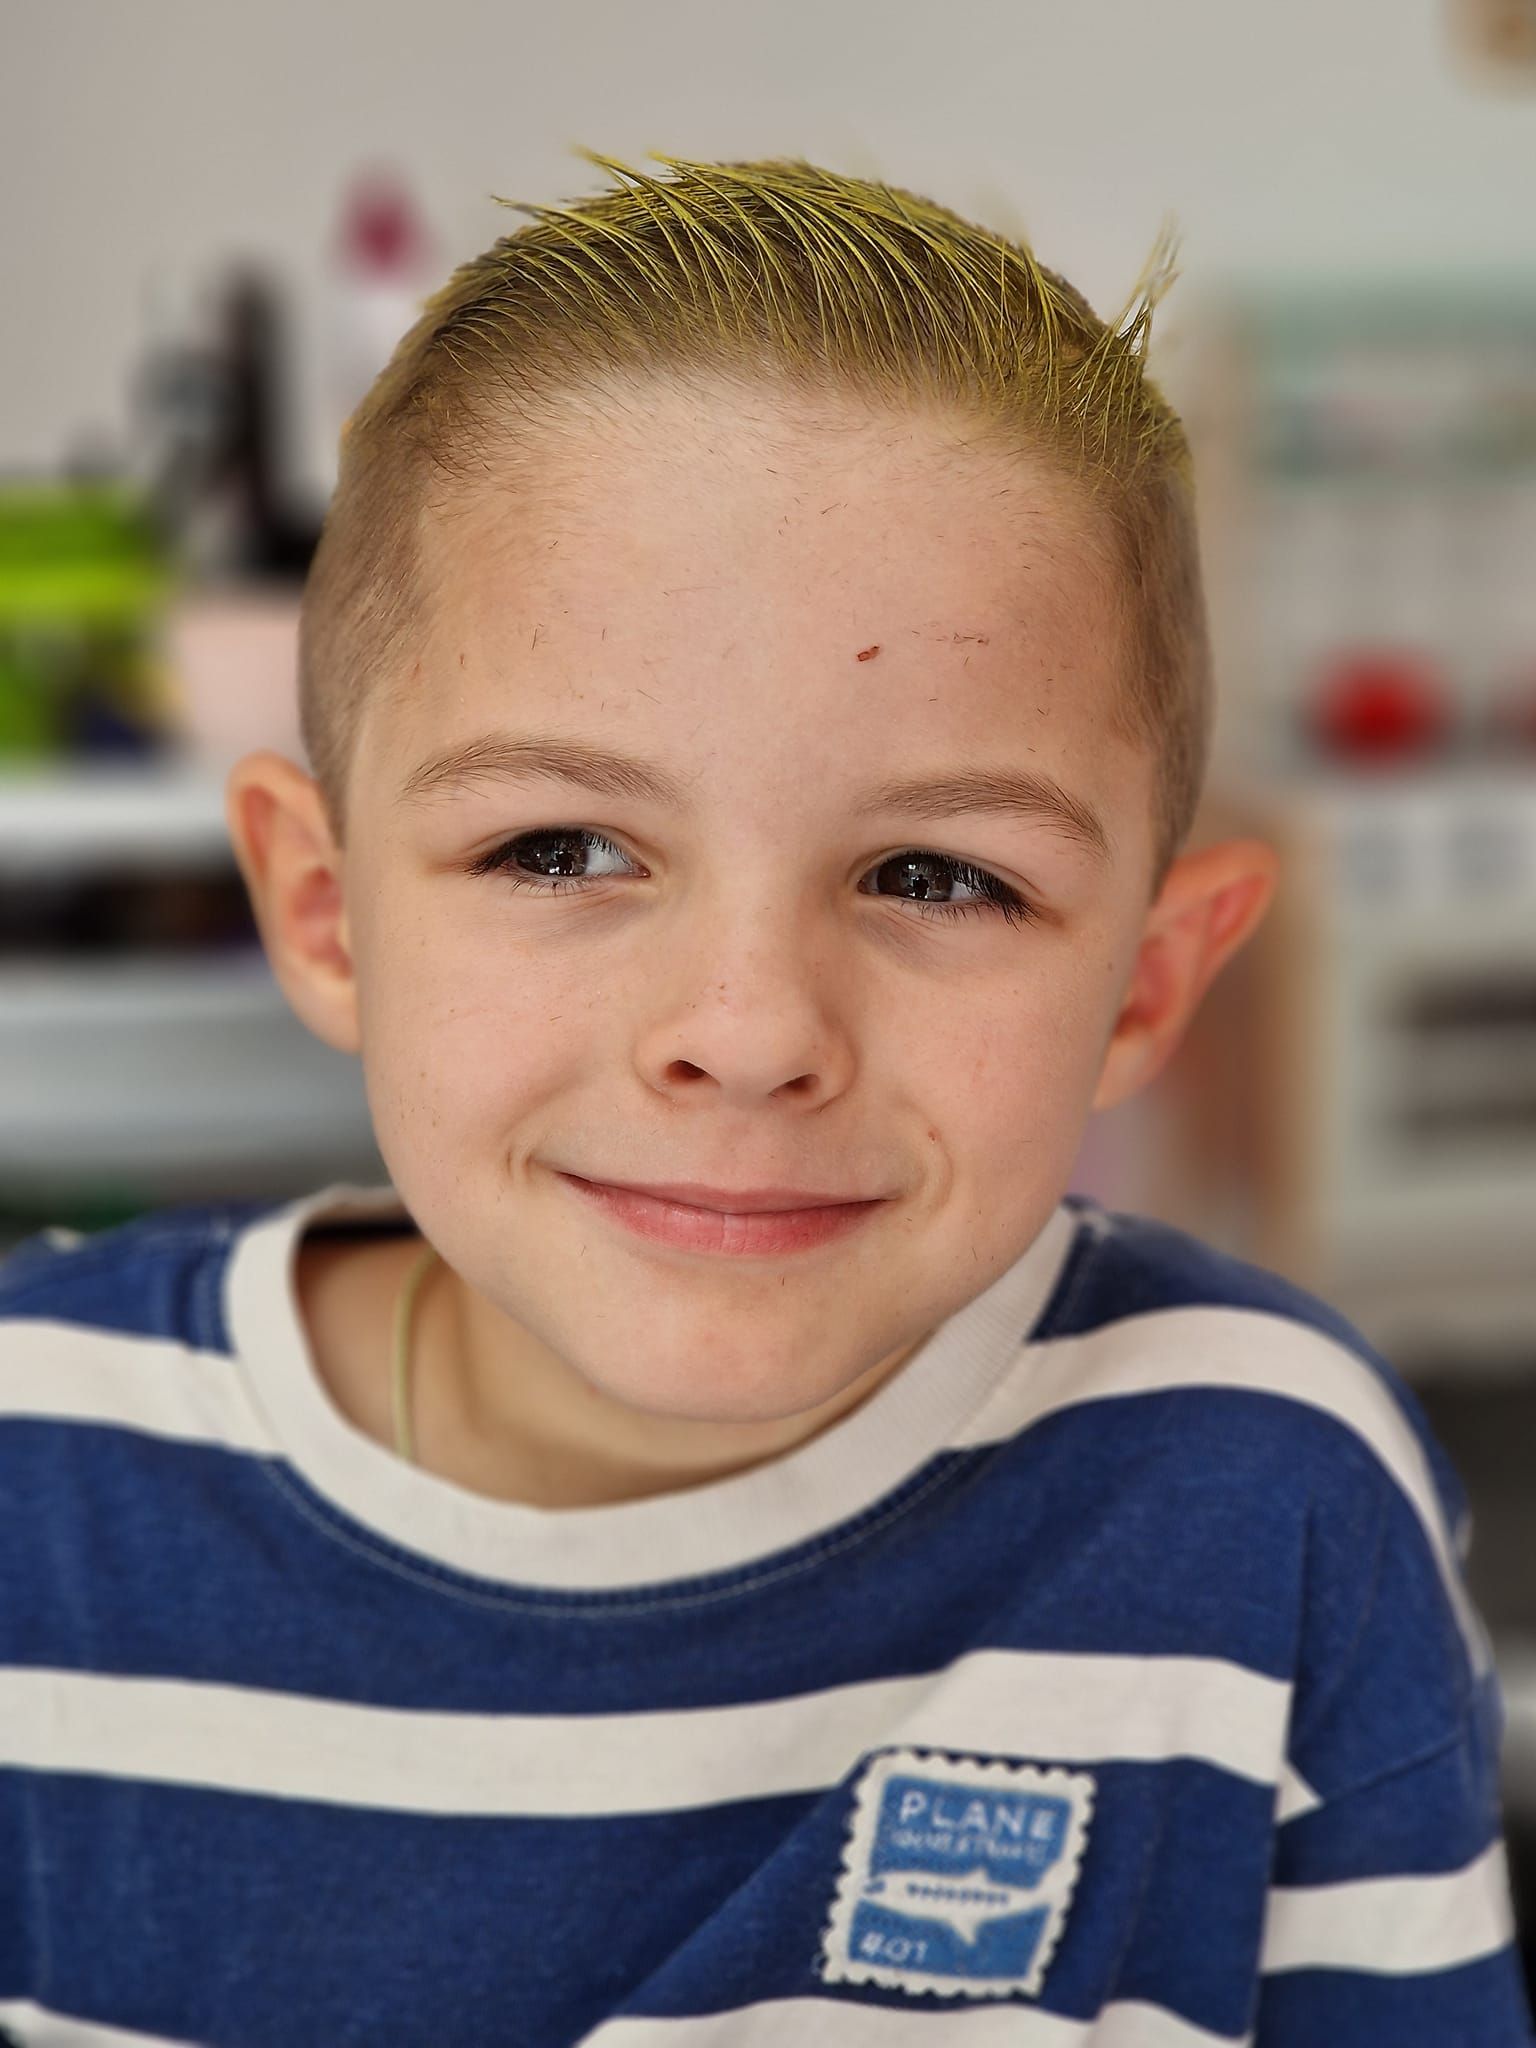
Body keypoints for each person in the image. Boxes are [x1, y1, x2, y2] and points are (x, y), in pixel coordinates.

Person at [0, 148, 1530, 2048]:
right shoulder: (32, 1461)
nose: (743, 1030)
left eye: (938, 878)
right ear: (324, 913)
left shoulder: (1265, 1486)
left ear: (1148, 979)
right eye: (561, 849)